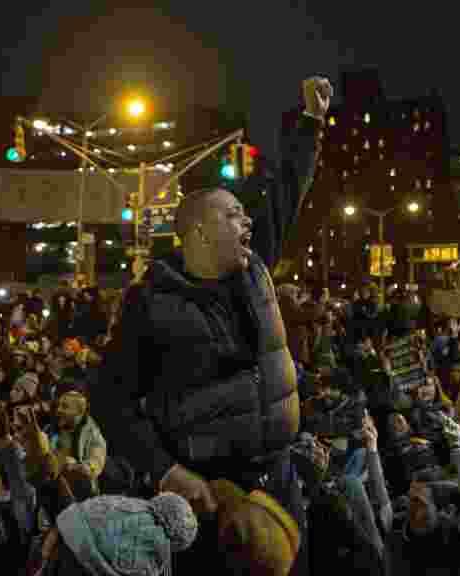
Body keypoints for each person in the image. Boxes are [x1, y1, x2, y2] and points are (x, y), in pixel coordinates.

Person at [93, 76, 329, 574]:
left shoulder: (255, 268)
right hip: (209, 495)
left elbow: (288, 187)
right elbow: (110, 401)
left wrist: (311, 121)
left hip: (278, 482)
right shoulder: (149, 303)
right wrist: (168, 470)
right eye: (235, 215)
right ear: (200, 230)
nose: (249, 224)